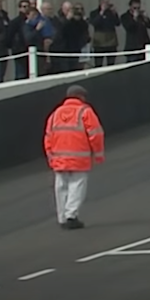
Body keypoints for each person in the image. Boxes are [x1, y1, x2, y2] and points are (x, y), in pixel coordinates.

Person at [44, 85, 105, 229]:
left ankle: (62, 217)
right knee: (77, 185)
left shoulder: (55, 114)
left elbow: (48, 136)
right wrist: (98, 154)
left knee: (61, 187)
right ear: (81, 97)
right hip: (79, 157)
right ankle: (71, 215)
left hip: (59, 158)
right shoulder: (85, 111)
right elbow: (96, 134)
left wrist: (50, 156)